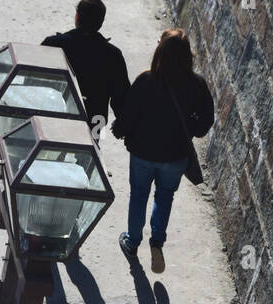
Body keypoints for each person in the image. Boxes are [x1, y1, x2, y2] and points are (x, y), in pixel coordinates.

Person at [112, 28, 214, 274]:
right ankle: (157, 241)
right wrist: (189, 127)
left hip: (143, 153)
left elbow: (128, 114)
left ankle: (132, 241)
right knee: (165, 195)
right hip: (175, 154)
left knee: (139, 195)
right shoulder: (197, 85)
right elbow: (205, 123)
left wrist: (120, 130)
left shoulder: (146, 80)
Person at [42, 0, 130, 132]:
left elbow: (32, 79)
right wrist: (122, 125)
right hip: (93, 123)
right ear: (101, 23)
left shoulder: (54, 45)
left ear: (77, 17)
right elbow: (122, 96)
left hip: (52, 114)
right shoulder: (113, 55)